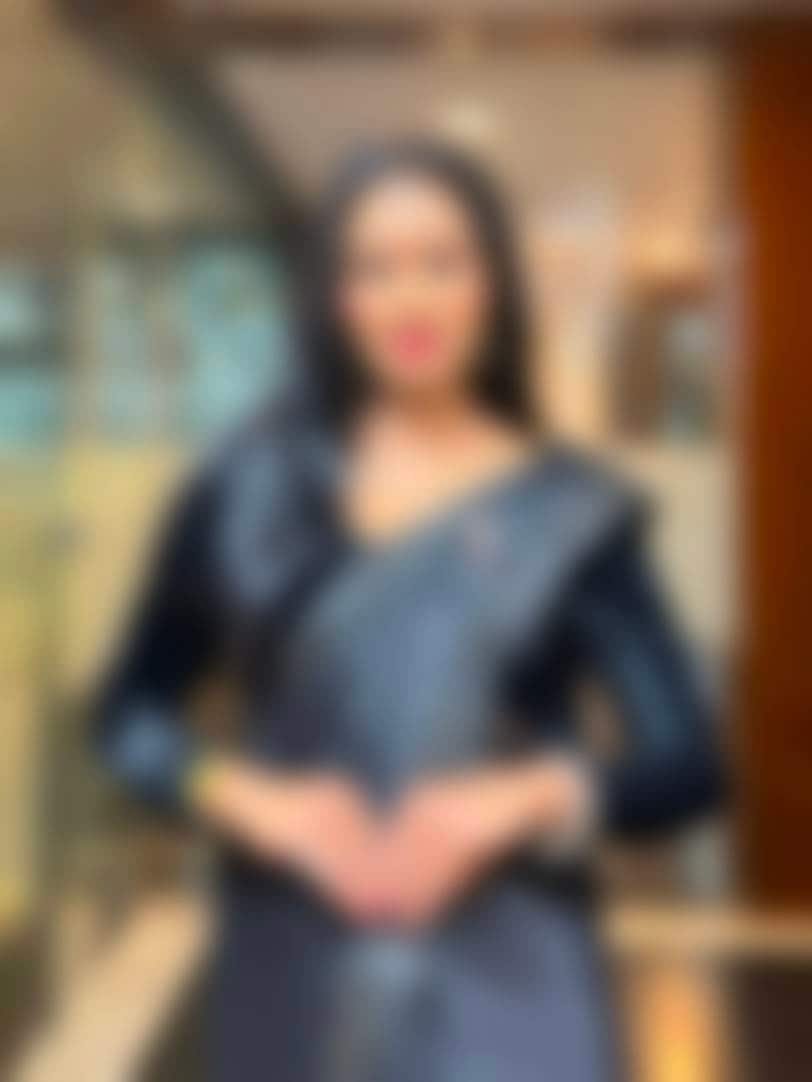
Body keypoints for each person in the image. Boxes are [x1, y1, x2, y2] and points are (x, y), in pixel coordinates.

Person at [95, 140, 722, 1082]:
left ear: (492, 285)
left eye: (442, 262)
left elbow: (688, 763)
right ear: (334, 297)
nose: (411, 298)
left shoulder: (572, 513)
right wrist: (251, 799)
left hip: (517, 992)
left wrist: (525, 798)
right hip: (294, 978)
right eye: (375, 269)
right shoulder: (245, 489)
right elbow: (129, 717)